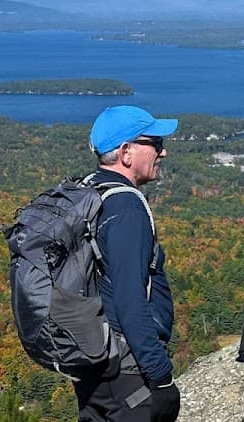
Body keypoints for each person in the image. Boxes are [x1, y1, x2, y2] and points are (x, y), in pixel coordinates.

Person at [77, 105, 181, 422]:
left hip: (92, 358)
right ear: (126, 152)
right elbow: (130, 300)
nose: (162, 153)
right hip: (126, 370)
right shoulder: (126, 207)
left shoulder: (88, 189)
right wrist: (160, 375)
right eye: (155, 143)